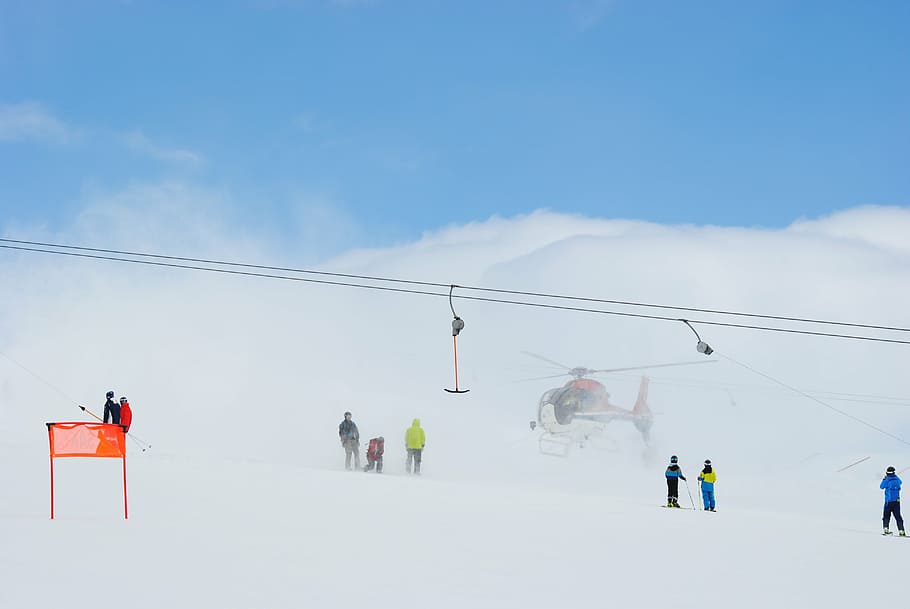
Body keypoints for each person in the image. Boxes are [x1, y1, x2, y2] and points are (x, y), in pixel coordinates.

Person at [881, 466, 905, 536]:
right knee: (898, 516)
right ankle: (901, 531)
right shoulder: (896, 479)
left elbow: (881, 487)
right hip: (897, 502)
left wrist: (884, 479)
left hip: (888, 502)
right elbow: (901, 482)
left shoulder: (887, 479)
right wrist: (895, 476)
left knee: (886, 516)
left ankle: (886, 529)